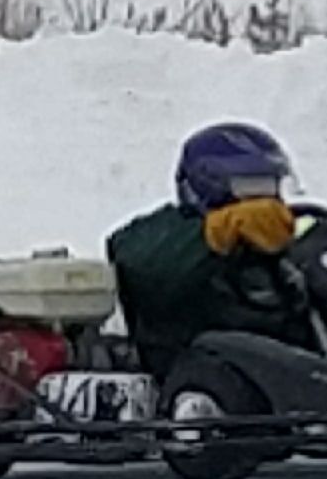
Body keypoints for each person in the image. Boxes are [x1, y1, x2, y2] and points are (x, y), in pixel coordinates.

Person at [107, 122, 311, 378]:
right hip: (204, 375)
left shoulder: (276, 234)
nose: (265, 202)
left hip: (298, 365)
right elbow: (139, 258)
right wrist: (218, 232)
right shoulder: (165, 232)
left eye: (270, 187)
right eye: (251, 188)